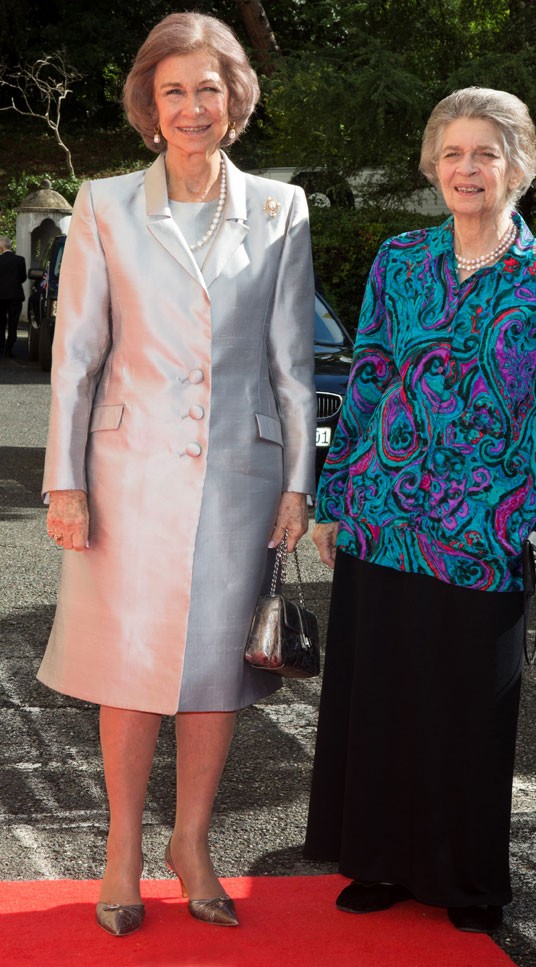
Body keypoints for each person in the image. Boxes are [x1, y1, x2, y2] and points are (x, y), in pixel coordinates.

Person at [37, 12, 315, 938]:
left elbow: (292, 366)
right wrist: (63, 482)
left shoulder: (281, 207)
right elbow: (76, 356)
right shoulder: (105, 203)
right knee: (129, 665)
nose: (193, 106)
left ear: (235, 100)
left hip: (242, 472)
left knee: (213, 669)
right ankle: (121, 849)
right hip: (126, 475)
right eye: (174, 90)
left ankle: (191, 844)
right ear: (149, 107)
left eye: (209, 88)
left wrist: (298, 482)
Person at [304, 87, 536, 934]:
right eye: (453, 154)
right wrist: (334, 494)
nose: (467, 169)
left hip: (490, 527)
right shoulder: (399, 261)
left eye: (486, 154)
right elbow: (368, 377)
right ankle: (382, 862)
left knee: (471, 707)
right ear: (433, 167)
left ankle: (469, 878)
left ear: (519, 167)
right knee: (383, 696)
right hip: (383, 514)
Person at [0, 236, 27, 357]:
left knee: (0, 323)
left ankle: (1, 347)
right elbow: (23, 278)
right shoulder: (20, 260)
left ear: (1, 247)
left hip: (1, 297)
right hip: (15, 296)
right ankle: (9, 349)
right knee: (13, 323)